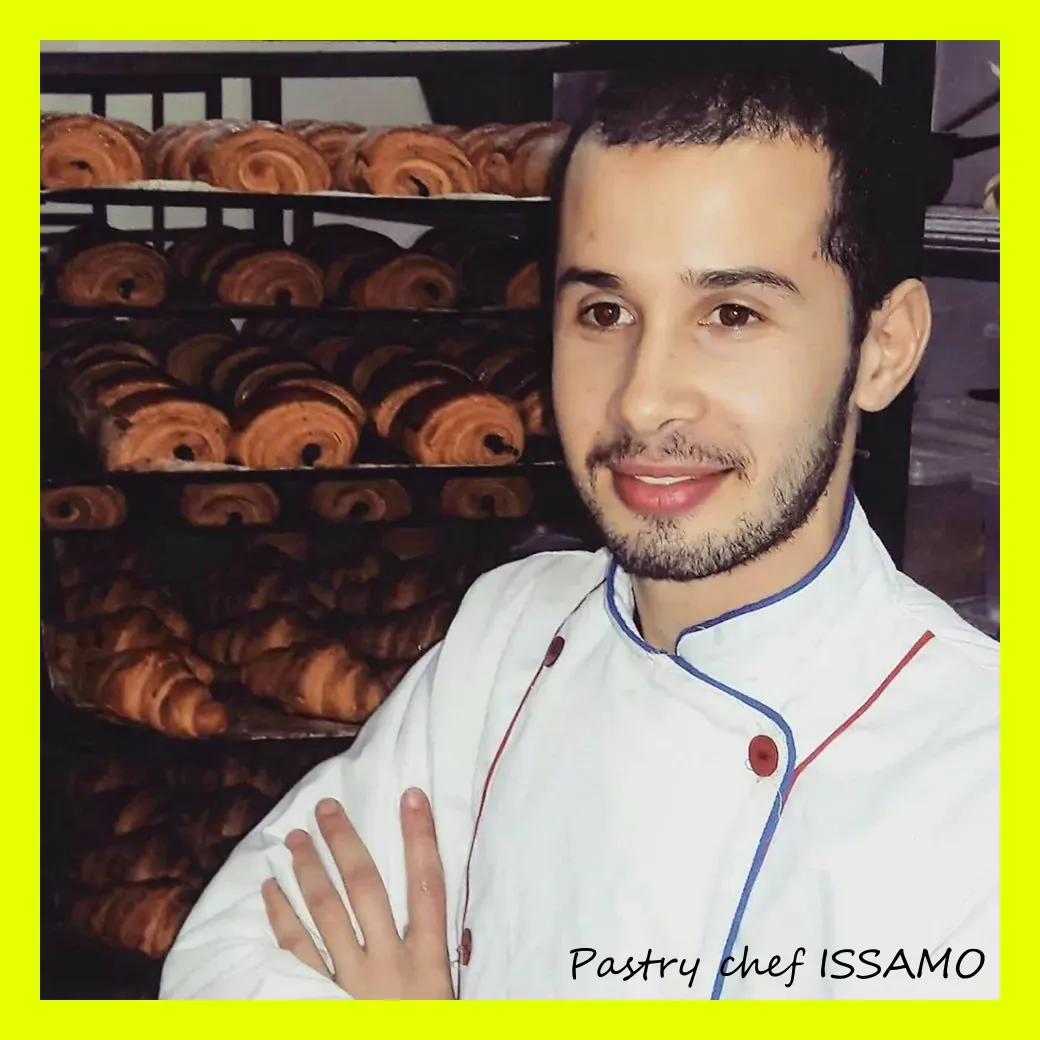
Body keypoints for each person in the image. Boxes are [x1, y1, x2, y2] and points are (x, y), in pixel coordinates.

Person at [160, 43, 999, 1000]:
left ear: (884, 349)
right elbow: (221, 964)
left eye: (731, 314)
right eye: (604, 311)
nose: (642, 403)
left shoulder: (986, 782)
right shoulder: (508, 630)